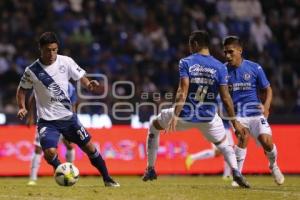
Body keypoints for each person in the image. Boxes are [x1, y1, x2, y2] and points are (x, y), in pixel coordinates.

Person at [142, 30, 250, 188]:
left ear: (195, 44)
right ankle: (236, 172)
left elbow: (183, 90)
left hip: (185, 115)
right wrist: (235, 123)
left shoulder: (186, 62)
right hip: (209, 119)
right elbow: (226, 98)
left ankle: (151, 169)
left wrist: (176, 115)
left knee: (153, 126)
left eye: (190, 45)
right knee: (224, 145)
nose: (189, 48)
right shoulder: (220, 67)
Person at [16, 32, 119, 187]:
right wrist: (22, 107)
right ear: (40, 49)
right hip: (47, 121)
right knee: (49, 153)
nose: (51, 54)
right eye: (47, 50)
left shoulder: (66, 62)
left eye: (54, 49)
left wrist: (89, 84)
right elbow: (21, 90)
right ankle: (63, 171)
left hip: (68, 119)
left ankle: (107, 178)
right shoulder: (32, 71)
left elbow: (80, 77)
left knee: (90, 148)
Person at [223, 36, 284, 186]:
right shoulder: (223, 70)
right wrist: (233, 120)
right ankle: (238, 176)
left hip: (256, 113)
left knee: (267, 142)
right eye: (225, 52)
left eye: (230, 52)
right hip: (237, 114)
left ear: (240, 50)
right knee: (243, 136)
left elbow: (268, 89)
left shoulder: (254, 68)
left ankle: (273, 166)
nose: (227, 55)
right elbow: (223, 96)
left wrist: (267, 107)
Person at [27, 82, 76, 186]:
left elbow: (73, 105)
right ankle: (33, 178)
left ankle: (69, 172)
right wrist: (30, 116)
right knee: (38, 148)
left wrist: (73, 122)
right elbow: (33, 97)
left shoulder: (70, 87)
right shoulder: (46, 82)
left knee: (70, 146)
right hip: (46, 120)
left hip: (64, 121)